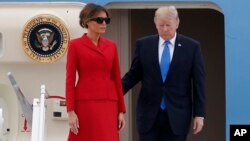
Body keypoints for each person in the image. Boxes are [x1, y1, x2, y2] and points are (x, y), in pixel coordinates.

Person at [122, 6, 206, 141]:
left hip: (178, 115)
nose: (165, 29)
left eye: (168, 25)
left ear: (177, 23)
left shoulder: (192, 47)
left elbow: (199, 83)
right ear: (155, 24)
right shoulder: (144, 45)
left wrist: (199, 114)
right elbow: (132, 76)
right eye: (161, 25)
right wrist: (112, 95)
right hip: (148, 115)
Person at [65, 3, 126, 141]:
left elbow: (116, 78)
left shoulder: (112, 46)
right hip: (85, 104)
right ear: (87, 21)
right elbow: (69, 80)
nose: (104, 23)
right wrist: (70, 111)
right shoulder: (75, 45)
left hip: (109, 103)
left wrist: (121, 110)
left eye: (107, 20)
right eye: (100, 20)